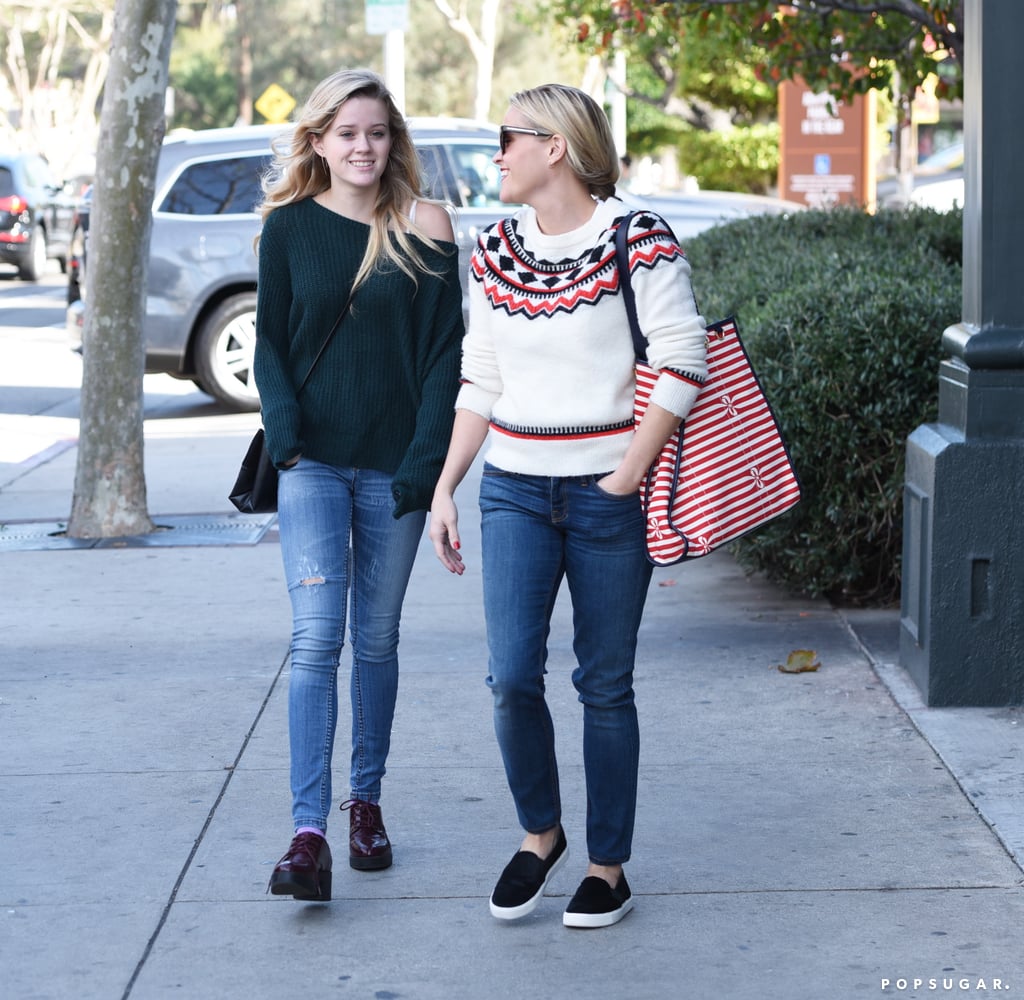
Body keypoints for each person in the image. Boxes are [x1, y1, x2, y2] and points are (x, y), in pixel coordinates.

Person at [429, 84, 708, 928]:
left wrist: (626, 473)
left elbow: (684, 357)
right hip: (513, 488)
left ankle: (607, 866)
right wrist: (448, 484)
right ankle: (541, 833)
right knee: (511, 676)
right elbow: (481, 375)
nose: (497, 155)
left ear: (554, 146)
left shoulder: (637, 238)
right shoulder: (493, 246)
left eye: (507, 139)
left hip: (605, 494)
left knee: (604, 684)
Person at [256, 68, 464, 902]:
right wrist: (286, 433)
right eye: (345, 133)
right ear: (316, 141)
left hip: (395, 469)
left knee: (375, 641)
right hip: (311, 465)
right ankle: (308, 834)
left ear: (394, 140)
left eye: (375, 132)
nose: (362, 147)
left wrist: (426, 467)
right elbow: (270, 342)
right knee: (315, 639)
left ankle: (364, 805)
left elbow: (445, 356)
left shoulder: (425, 224)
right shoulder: (288, 229)